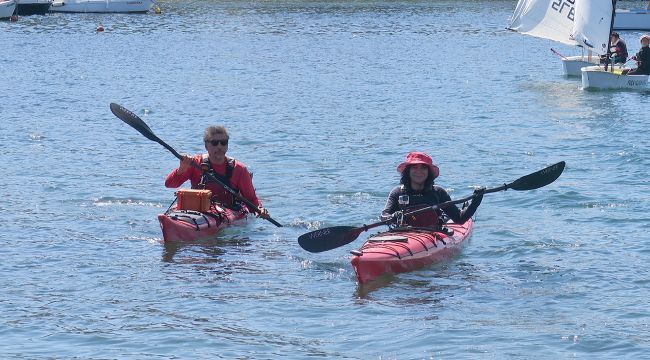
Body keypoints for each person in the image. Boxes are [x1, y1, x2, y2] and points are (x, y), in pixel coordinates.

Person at [164, 125, 270, 219]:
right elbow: (169, 184)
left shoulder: (239, 169)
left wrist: (259, 209)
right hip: (198, 208)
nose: (219, 146)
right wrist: (181, 169)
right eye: (214, 143)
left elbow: (251, 198)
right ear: (206, 145)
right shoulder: (194, 163)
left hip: (227, 210)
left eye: (223, 143)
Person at [381, 152, 484, 229]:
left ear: (429, 172)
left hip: (432, 235)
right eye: (414, 168)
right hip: (405, 235)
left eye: (423, 168)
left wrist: (476, 201)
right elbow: (384, 216)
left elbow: (460, 219)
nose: (419, 172)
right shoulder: (397, 193)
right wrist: (393, 216)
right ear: (408, 171)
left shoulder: (438, 192)